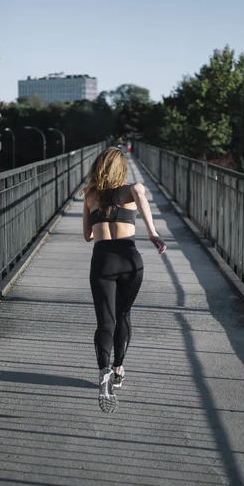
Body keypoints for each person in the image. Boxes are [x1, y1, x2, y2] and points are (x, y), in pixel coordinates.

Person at [82, 147, 166, 412]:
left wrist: (99, 218)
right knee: (124, 314)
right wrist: (152, 232)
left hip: (103, 260)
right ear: (121, 169)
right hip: (130, 259)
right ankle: (119, 369)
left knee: (105, 320)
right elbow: (140, 193)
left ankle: (104, 369)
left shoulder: (90, 196)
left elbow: (87, 236)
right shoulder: (131, 190)